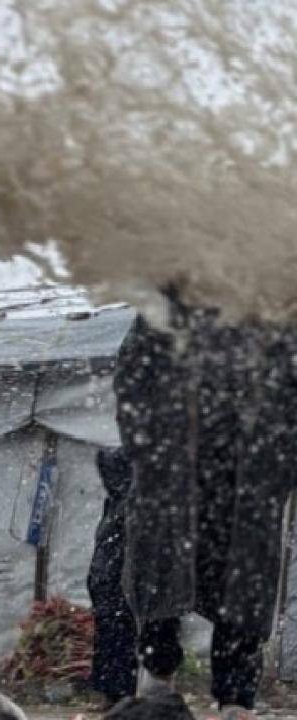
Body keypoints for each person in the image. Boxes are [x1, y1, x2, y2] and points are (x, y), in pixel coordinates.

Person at [114, 286, 297, 719]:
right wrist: (151, 452)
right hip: (174, 486)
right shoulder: (163, 312)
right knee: (160, 596)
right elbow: (132, 384)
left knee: (242, 606)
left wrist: (279, 469)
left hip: (246, 489)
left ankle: (235, 705)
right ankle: (158, 694)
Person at [88, 447, 138, 707]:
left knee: (113, 635)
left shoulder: (118, 504)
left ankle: (114, 692)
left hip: (108, 579)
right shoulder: (124, 505)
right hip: (113, 580)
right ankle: (118, 692)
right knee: (117, 635)